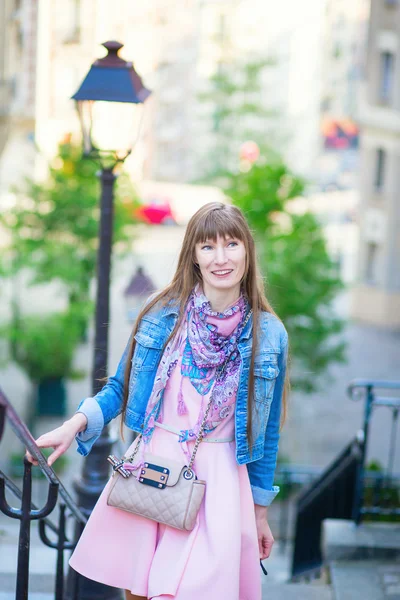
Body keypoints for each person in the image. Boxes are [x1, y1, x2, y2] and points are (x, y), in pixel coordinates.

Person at [26, 202, 289, 600]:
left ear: (247, 252)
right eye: (207, 247)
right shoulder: (162, 316)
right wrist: (75, 424)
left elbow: (266, 431)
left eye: (231, 244)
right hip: (154, 471)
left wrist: (260, 511)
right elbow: (121, 388)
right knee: (144, 592)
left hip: (220, 484)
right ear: (193, 257)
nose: (221, 258)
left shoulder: (270, 335)